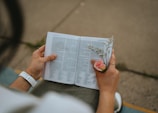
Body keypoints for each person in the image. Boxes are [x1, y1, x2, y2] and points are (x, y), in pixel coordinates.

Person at [0, 45, 120, 113]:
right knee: (93, 89)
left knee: (52, 80)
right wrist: (108, 92)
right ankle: (111, 104)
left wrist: (31, 73)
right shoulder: (70, 108)